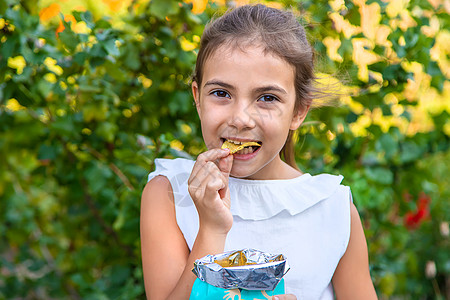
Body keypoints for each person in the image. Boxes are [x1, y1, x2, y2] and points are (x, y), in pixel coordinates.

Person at [140, 4, 377, 300]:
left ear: (298, 112)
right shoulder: (170, 195)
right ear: (198, 98)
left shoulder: (332, 209)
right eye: (222, 94)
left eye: (267, 98)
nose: (240, 118)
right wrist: (212, 229)